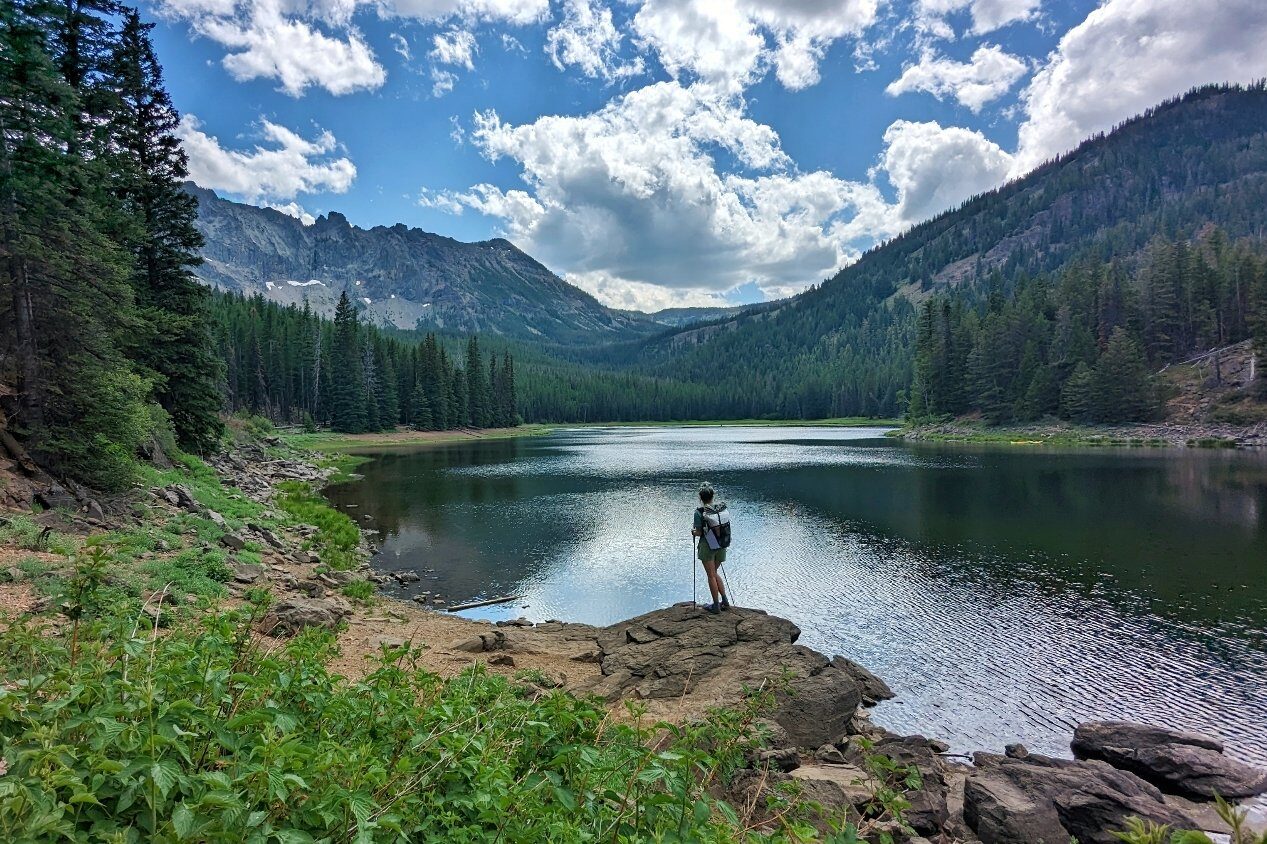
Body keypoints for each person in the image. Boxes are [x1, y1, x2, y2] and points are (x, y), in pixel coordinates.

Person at [692, 482, 731, 614]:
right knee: (714, 573)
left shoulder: (699, 512)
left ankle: (716, 606)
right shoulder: (721, 509)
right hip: (722, 544)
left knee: (711, 576)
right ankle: (724, 601)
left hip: (708, 546)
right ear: (713, 495)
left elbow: (699, 532)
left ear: (700, 497)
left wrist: (693, 532)